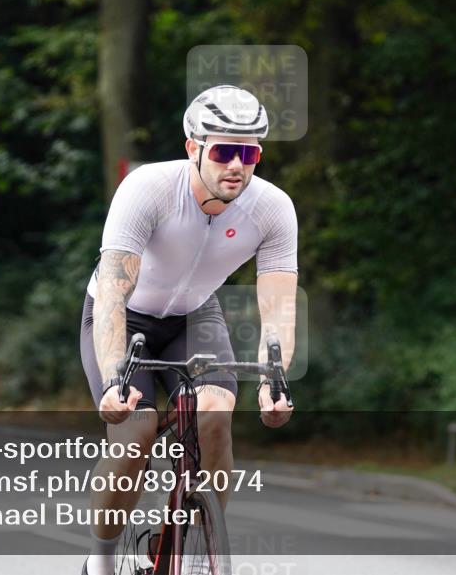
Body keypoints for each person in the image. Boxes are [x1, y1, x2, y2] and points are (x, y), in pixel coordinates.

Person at [79, 85, 298, 575]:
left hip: (195, 315)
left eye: (249, 154)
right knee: (134, 433)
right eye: (223, 152)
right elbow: (113, 293)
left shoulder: (273, 208)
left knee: (216, 416)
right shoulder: (149, 188)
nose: (236, 166)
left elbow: (279, 307)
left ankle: (198, 544)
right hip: (125, 315)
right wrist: (115, 378)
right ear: (192, 148)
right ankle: (101, 562)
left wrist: (275, 382)